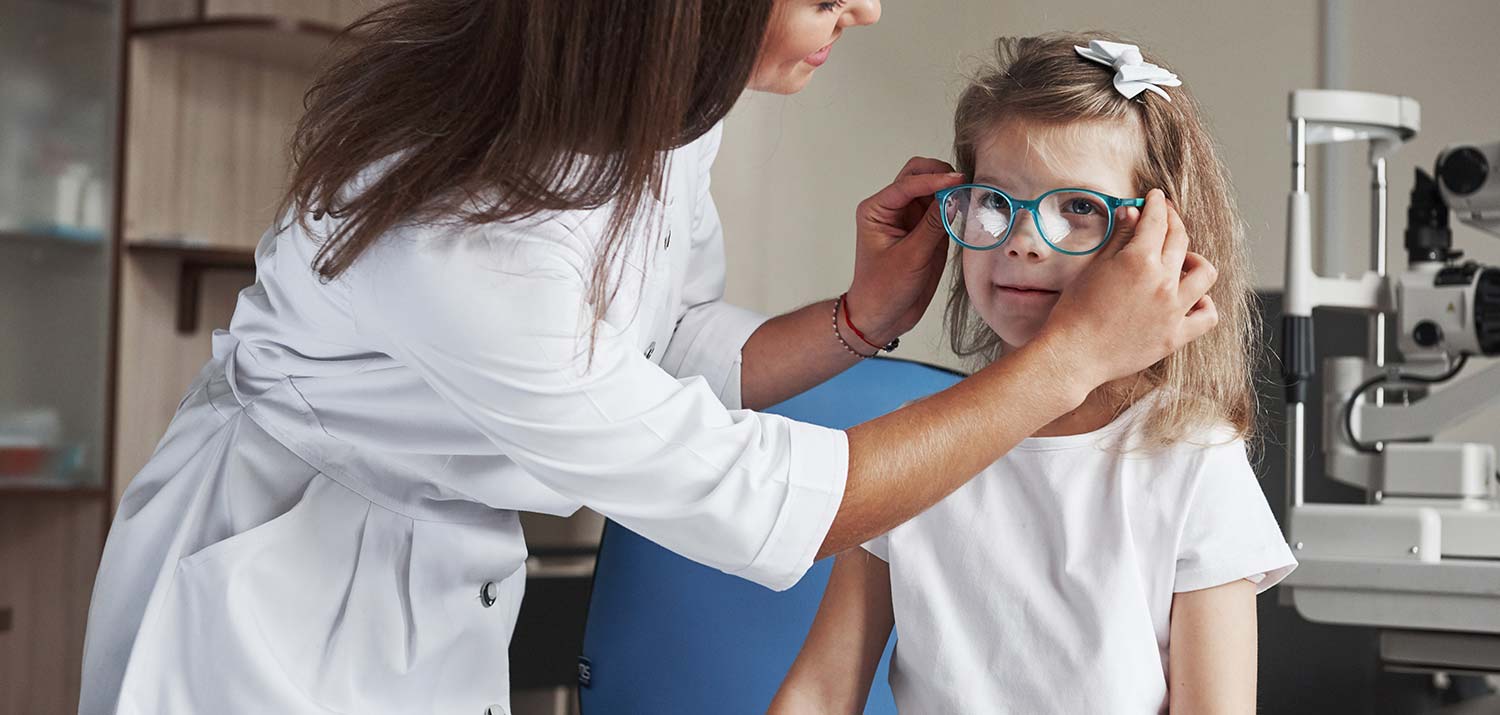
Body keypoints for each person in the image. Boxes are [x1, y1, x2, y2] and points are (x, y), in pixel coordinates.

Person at [80, 3, 1218, 712]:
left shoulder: (659, 113)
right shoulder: (472, 242)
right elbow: (771, 510)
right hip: (280, 605)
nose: (863, 10)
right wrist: (1068, 363)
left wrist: (857, 320)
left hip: (429, 570)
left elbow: (662, 346)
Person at [770, 33, 1295, 714]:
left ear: (1159, 242)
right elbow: (819, 691)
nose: (1021, 239)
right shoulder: (914, 451)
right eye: (995, 200)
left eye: (1077, 207)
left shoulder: (1190, 459)